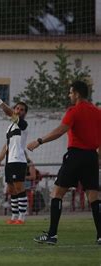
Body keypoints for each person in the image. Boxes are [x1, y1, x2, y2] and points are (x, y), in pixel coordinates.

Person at [27, 80, 100, 245]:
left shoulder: (73, 111)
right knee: (93, 197)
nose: (69, 95)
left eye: (70, 92)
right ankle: (100, 236)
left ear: (77, 94)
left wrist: (39, 141)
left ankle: (52, 235)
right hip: (91, 157)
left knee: (57, 193)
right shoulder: (97, 112)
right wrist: (99, 158)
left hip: (75, 156)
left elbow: (60, 130)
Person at [0, 91, 29, 224]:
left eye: (22, 110)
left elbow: (8, 113)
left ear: (24, 113)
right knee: (11, 189)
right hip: (9, 161)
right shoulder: (10, 126)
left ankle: (22, 217)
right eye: (17, 108)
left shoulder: (22, 124)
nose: (19, 110)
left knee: (19, 187)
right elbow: (6, 145)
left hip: (18, 160)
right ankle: (14, 216)